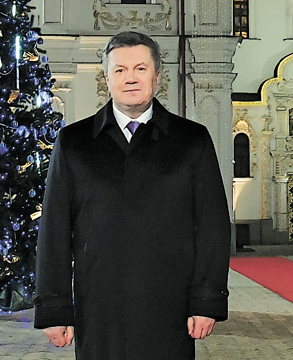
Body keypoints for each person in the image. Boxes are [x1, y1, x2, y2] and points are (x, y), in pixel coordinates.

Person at [35, 30, 231, 360]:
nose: (130, 79)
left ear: (157, 75)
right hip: (98, 306)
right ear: (107, 78)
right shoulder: (74, 142)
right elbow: (54, 229)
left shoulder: (191, 141)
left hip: (170, 305)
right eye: (120, 70)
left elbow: (213, 226)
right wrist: (54, 308)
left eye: (140, 69)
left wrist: (207, 301)